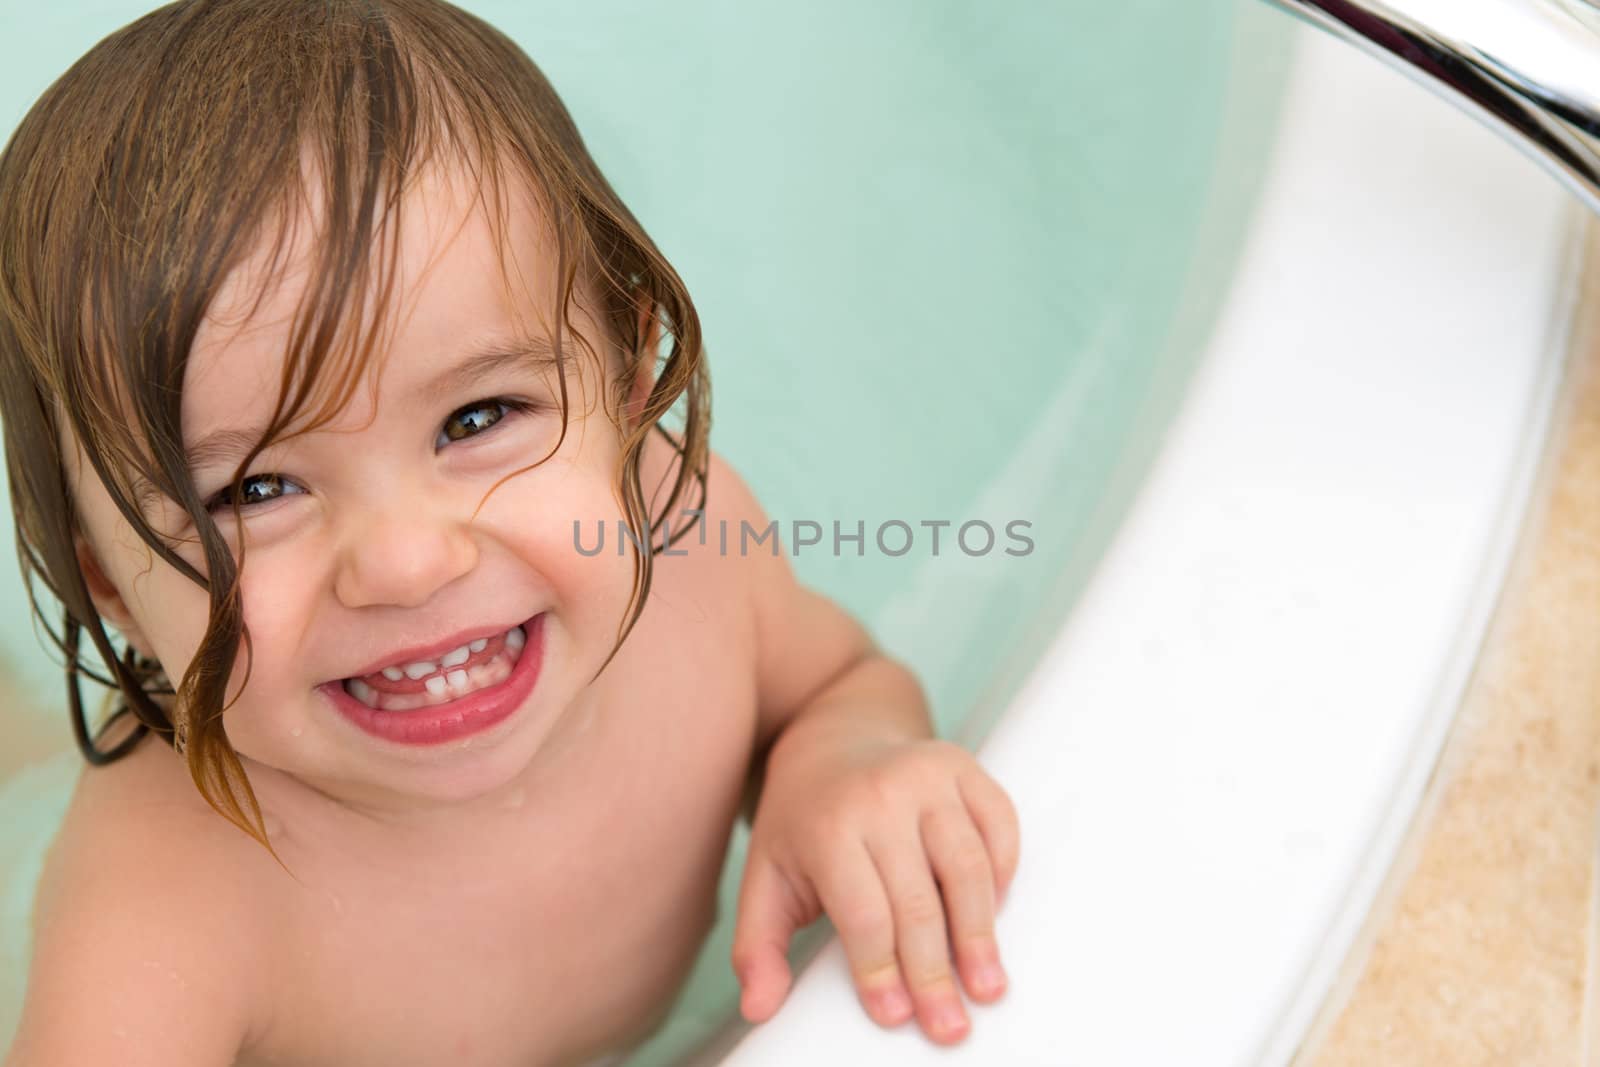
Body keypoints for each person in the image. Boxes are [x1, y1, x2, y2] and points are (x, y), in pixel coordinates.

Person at [0, 2, 1020, 1064]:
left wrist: (843, 760)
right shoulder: (167, 884)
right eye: (256, 490)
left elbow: (837, 677)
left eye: (477, 419)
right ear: (107, 584)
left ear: (627, 382)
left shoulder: (688, 538)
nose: (405, 561)